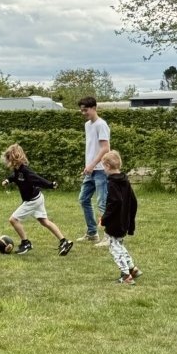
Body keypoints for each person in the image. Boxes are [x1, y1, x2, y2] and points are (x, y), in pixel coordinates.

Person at [1, 144, 73, 256]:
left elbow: (37, 179)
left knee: (13, 220)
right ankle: (64, 241)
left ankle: (26, 243)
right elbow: (13, 176)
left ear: (15, 157)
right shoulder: (17, 170)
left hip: (32, 200)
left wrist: (50, 185)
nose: (8, 160)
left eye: (9, 157)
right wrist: (7, 180)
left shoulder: (25, 170)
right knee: (45, 221)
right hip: (37, 198)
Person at [100, 150, 142, 285]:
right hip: (124, 220)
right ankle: (132, 268)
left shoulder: (112, 183)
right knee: (119, 244)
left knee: (114, 248)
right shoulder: (125, 180)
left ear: (107, 166)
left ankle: (126, 276)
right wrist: (130, 219)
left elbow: (115, 202)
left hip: (115, 222)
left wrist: (105, 218)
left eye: (103, 166)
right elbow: (133, 201)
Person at [76, 96, 111, 246]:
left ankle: (109, 237)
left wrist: (93, 164)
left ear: (94, 108)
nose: (84, 113)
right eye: (82, 110)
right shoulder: (87, 125)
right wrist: (88, 166)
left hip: (101, 170)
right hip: (90, 170)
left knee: (102, 203)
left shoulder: (101, 125)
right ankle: (92, 233)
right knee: (84, 199)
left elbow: (105, 148)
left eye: (86, 110)